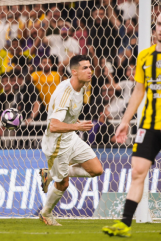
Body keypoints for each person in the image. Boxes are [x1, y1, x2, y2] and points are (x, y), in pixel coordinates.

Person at [102, 10, 161, 238]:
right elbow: (138, 91)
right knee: (137, 171)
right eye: (159, 25)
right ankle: (125, 223)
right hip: (147, 124)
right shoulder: (145, 56)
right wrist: (125, 122)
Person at [39, 55, 104, 226]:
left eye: (90, 67)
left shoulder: (82, 87)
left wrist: (76, 123)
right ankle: (46, 213)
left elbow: (66, 118)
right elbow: (53, 125)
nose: (90, 71)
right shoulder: (65, 93)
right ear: (74, 72)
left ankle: (50, 173)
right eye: (85, 68)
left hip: (70, 137)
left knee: (97, 169)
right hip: (56, 143)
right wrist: (77, 127)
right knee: (63, 184)